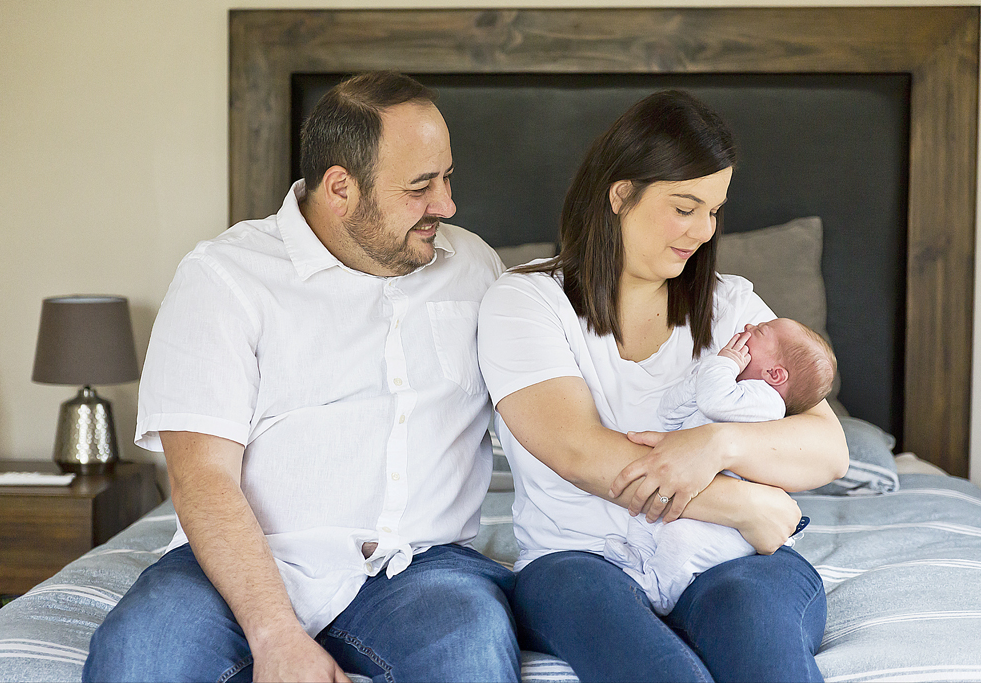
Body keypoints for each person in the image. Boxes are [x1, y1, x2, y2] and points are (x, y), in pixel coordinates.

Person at [83, 71, 520, 683]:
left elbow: (542, 416)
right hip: (242, 562)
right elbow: (202, 478)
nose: (445, 205)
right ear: (340, 187)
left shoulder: (476, 267)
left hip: (419, 567)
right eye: (421, 186)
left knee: (472, 649)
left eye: (448, 178)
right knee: (142, 656)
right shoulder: (223, 278)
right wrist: (277, 637)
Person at [477, 90, 849, 682]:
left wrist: (717, 445)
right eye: (684, 207)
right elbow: (580, 453)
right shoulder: (526, 302)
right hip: (581, 561)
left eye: (714, 211)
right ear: (621, 194)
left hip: (727, 560)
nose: (703, 230)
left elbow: (829, 450)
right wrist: (747, 504)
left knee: (765, 659)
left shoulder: (733, 308)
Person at [603, 318, 837, 616]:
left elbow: (714, 401)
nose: (749, 326)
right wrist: (703, 376)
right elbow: (669, 412)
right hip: (698, 502)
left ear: (774, 374)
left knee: (681, 541)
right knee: (644, 517)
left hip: (724, 528)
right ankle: (640, 557)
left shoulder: (765, 402)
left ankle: (659, 590)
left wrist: (723, 364)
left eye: (759, 331)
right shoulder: (726, 387)